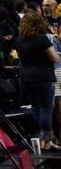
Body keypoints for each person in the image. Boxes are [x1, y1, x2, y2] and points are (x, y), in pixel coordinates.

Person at [18, 12, 61, 151]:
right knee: (46, 109)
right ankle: (47, 141)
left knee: (36, 108)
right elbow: (54, 58)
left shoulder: (19, 40)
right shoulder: (42, 38)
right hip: (43, 77)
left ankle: (41, 140)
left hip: (26, 78)